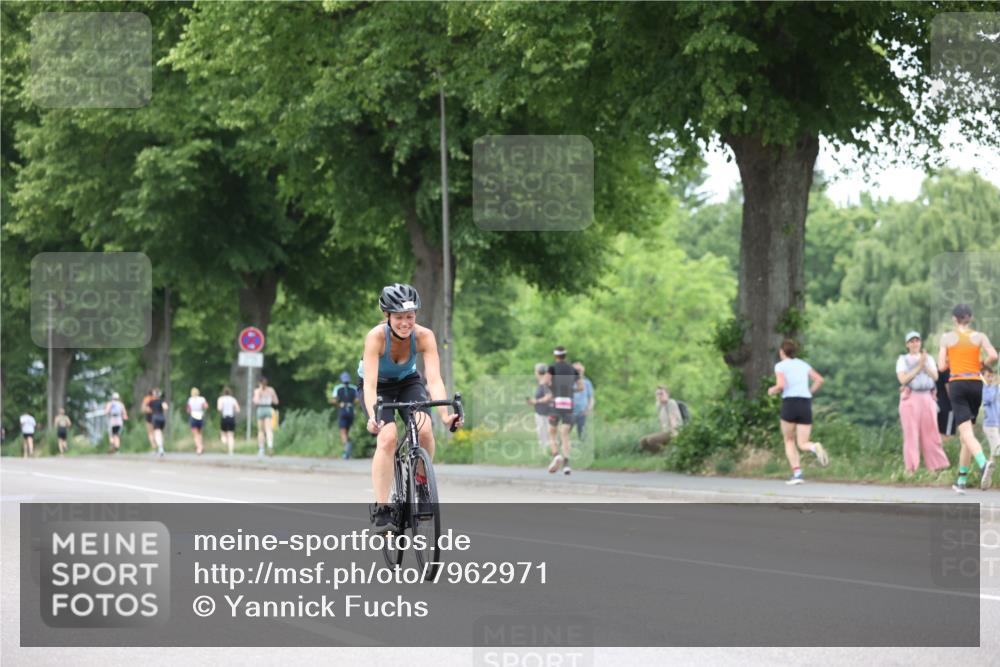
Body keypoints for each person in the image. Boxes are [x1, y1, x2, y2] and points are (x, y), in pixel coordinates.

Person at [359, 283, 463, 534]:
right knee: (388, 438)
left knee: (424, 429)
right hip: (378, 387)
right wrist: (374, 416)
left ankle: (420, 483)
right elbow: (370, 385)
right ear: (387, 316)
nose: (405, 323)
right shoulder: (376, 337)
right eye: (399, 318)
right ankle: (382, 508)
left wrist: (445, 415)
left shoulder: (425, 336)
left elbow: (434, 380)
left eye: (410, 316)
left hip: (408, 382)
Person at [938, 304, 999, 494]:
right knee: (967, 434)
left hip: (958, 384)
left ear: (954, 319)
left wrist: (951, 361)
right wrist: (980, 364)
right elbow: (994, 356)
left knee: (965, 433)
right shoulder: (980, 336)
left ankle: (983, 464)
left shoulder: (947, 338)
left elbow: (941, 366)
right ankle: (961, 480)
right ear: (970, 319)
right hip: (975, 384)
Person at [766, 339, 829, 485]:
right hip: (805, 403)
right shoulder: (803, 364)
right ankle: (814, 447)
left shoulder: (780, 366)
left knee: (789, 440)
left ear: (782, 352)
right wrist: (809, 392)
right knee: (803, 443)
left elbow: (781, 385)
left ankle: (797, 473)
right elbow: (819, 379)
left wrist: (772, 390)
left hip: (790, 403)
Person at [896, 331, 949, 473]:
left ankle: (937, 467)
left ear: (920, 342)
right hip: (910, 398)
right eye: (911, 341)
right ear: (907, 344)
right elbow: (903, 379)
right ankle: (911, 468)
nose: (915, 344)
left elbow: (936, 377)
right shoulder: (903, 359)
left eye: (917, 341)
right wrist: (918, 367)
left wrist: (924, 365)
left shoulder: (928, 358)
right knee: (911, 435)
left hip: (927, 397)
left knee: (931, 433)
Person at [546, 346, 582, 475]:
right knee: (565, 433)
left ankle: (556, 455)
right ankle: (567, 464)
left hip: (557, 402)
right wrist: (571, 390)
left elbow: (545, 381)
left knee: (551, 431)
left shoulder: (552, 368)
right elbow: (581, 387)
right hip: (569, 403)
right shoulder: (573, 369)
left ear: (555, 356)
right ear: (565, 355)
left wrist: (553, 388)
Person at [639, 385, 683, 453]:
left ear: (667, 394)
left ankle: (667, 453)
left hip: (673, 431)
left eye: (661, 393)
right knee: (643, 441)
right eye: (657, 394)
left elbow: (673, 419)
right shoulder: (658, 405)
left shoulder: (671, 403)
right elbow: (661, 421)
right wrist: (661, 432)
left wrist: (675, 435)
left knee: (651, 439)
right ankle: (661, 453)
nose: (659, 396)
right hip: (665, 431)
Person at [330, 371, 359, 459]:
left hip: (342, 410)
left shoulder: (337, 388)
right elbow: (357, 400)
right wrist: (351, 404)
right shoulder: (354, 388)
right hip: (351, 410)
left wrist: (338, 404)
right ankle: (347, 446)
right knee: (347, 430)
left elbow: (334, 400)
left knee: (342, 431)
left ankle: (346, 449)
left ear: (341, 380)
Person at [527, 363, 553, 456]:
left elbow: (548, 397)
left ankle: (546, 454)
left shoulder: (544, 383)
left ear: (538, 372)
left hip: (545, 413)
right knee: (544, 433)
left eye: (535, 371)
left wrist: (536, 401)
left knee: (544, 434)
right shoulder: (543, 383)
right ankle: (546, 453)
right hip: (542, 412)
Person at [253, 377, 279, 456]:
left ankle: (261, 449)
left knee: (261, 430)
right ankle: (270, 445)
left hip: (261, 409)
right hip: (268, 408)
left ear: (259, 383)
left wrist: (259, 392)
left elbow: (256, 401)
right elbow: (276, 402)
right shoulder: (271, 390)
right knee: (269, 429)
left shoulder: (257, 391)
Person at [571, 361, 595, 443]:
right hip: (570, 412)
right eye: (576, 370)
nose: (578, 372)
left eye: (579, 370)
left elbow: (591, 398)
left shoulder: (587, 383)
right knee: (565, 431)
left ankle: (583, 448)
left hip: (582, 412)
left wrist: (588, 409)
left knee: (582, 433)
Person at [216, 387, 240, 456]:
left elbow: (219, 409)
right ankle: (231, 451)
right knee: (231, 435)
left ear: (223, 393)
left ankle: (225, 442)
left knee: (223, 434)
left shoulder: (221, 399)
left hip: (224, 417)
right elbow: (238, 409)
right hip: (231, 418)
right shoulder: (233, 399)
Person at [936, 368, 957, 441]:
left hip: (936, 405)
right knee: (947, 435)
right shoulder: (947, 370)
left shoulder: (935, 368)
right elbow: (950, 391)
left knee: (937, 433)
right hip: (948, 407)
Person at [187, 387, 209, 455]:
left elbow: (188, 410)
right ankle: (201, 447)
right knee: (199, 433)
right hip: (200, 416)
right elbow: (206, 406)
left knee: (195, 434)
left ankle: (199, 448)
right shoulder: (202, 399)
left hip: (193, 417)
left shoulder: (190, 399)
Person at [984, 365, 999, 460]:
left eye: (991, 376)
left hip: (997, 423)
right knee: (997, 450)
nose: (991, 378)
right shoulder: (984, 388)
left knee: (994, 453)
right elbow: (989, 399)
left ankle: (989, 472)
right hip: (990, 425)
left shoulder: (994, 388)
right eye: (988, 376)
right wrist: (995, 386)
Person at [148, 388, 169, 457]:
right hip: (162, 417)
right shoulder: (162, 401)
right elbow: (166, 407)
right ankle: (161, 447)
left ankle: (160, 448)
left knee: (157, 433)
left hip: (155, 417)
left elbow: (148, 410)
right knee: (160, 433)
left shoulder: (151, 402)